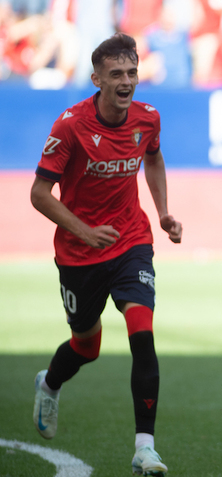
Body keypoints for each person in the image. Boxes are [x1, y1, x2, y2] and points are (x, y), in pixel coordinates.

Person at [30, 33, 182, 477]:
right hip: (79, 252)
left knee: (142, 332)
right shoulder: (70, 125)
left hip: (131, 241)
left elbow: (153, 159)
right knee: (87, 345)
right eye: (116, 73)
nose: (126, 81)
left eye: (132, 72)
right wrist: (83, 229)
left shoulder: (148, 118)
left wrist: (164, 213)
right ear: (96, 79)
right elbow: (40, 193)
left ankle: (144, 448)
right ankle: (50, 382)